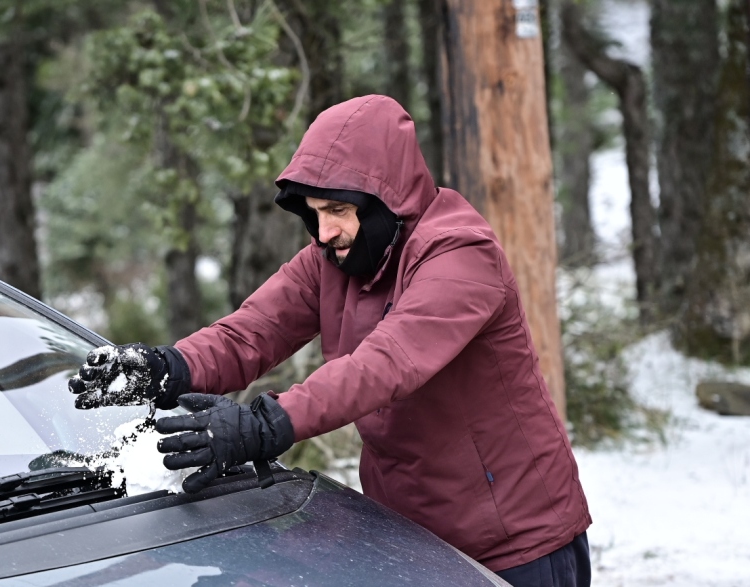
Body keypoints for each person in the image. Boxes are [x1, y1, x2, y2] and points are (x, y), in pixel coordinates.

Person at [68, 95, 592, 586]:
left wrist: (266, 424)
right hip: (410, 537)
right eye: (314, 213)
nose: (323, 233)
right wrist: (169, 366)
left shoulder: (461, 254)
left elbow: (385, 364)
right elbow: (252, 330)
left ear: (386, 200)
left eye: (338, 211)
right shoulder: (334, 260)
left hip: (514, 543)